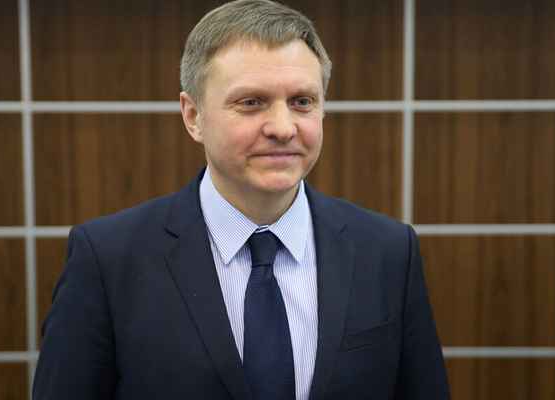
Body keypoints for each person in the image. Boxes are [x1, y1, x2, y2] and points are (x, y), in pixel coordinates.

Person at [32, 0, 449, 399]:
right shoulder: (108, 260)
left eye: (302, 102)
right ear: (193, 116)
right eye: (251, 103)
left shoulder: (388, 252)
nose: (283, 127)